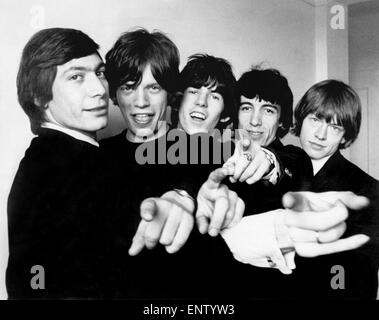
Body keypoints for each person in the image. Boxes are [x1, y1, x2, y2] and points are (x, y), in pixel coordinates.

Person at [6, 28, 120, 298]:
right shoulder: (54, 166)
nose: (99, 89)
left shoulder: (72, 157)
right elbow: (32, 280)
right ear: (40, 97)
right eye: (76, 77)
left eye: (99, 72)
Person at [288, 79, 379, 299]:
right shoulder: (283, 164)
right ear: (301, 120)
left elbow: (360, 279)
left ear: (345, 136)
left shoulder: (366, 190)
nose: (321, 134)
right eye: (315, 120)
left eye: (334, 127)